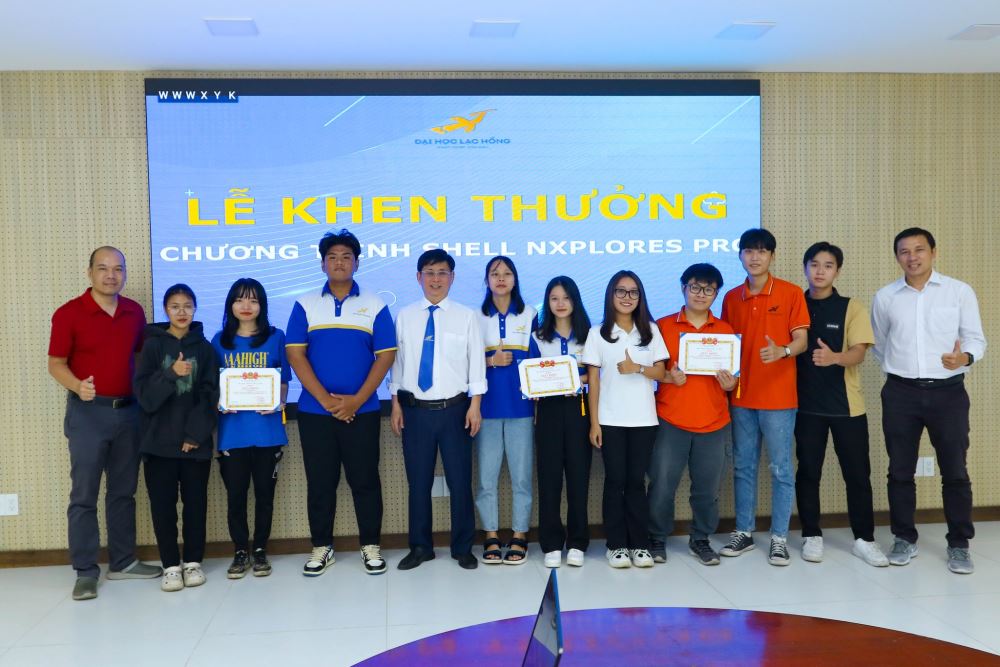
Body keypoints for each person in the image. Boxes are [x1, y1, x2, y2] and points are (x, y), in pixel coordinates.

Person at [47, 246, 162, 601]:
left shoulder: (134, 311)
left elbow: (141, 355)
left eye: (118, 269)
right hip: (88, 414)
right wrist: (76, 385)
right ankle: (85, 571)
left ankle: (123, 562)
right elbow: (56, 363)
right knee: (84, 494)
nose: (111, 275)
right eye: (103, 268)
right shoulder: (69, 313)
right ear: (90, 273)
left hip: (129, 412)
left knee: (123, 491)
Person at [872, 228, 986, 574]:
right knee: (899, 470)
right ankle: (904, 538)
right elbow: (880, 344)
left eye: (919, 249)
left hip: (948, 392)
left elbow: (976, 339)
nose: (912, 257)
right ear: (897, 257)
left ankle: (959, 544)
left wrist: (964, 358)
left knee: (955, 470)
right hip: (900, 392)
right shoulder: (886, 296)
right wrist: (903, 370)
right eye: (904, 251)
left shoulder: (958, 291)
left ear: (933, 252)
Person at [286, 230, 396, 576]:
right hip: (314, 412)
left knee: (365, 481)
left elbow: (385, 357)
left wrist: (356, 401)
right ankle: (322, 547)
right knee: (320, 482)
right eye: (332, 257)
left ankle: (370, 545)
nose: (339, 262)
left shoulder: (375, 305)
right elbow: (295, 355)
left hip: (363, 411)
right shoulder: (305, 304)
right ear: (322, 264)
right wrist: (327, 401)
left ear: (356, 263)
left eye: (346, 256)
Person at [390, 248, 487, 570]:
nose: (436, 279)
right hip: (415, 411)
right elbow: (397, 365)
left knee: (460, 482)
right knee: (418, 483)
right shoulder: (405, 316)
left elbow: (476, 365)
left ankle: (463, 548)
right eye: (429, 273)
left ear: (452, 277)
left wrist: (475, 405)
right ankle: (420, 547)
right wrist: (395, 404)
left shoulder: (466, 316)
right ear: (419, 277)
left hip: (455, 411)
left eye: (442, 273)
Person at [795, 243, 887, 567]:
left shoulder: (852, 307)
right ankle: (811, 535)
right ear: (805, 267)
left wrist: (835, 357)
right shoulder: (795, 304)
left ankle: (864, 539)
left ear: (837, 271)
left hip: (847, 407)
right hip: (804, 407)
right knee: (808, 472)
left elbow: (859, 352)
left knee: (858, 474)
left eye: (828, 265)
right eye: (814, 264)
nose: (820, 271)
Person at [720, 228, 809, 566]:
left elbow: (801, 341)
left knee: (781, 468)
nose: (754, 257)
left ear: (772, 256)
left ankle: (779, 538)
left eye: (762, 251)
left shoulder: (790, 292)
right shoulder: (731, 298)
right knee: (743, 466)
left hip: (779, 399)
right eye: (749, 251)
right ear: (740, 255)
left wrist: (783, 351)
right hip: (741, 397)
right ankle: (744, 531)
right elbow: (725, 346)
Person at [648, 263, 737, 567]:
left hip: (713, 421)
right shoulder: (662, 326)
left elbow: (735, 379)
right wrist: (667, 376)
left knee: (707, 490)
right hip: (670, 419)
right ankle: (657, 537)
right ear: (683, 287)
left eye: (709, 289)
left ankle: (701, 538)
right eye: (695, 287)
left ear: (716, 293)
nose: (701, 294)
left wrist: (731, 384)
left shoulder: (726, 331)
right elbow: (651, 372)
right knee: (661, 485)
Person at [134, 283, 219, 592]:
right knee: (163, 508)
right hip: (159, 444)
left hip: (195, 444)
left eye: (187, 306)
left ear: (195, 309)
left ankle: (193, 562)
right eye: (175, 306)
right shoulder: (153, 346)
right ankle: (170, 565)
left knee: (196, 505)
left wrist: (195, 435)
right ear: (165, 310)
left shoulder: (206, 349)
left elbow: (210, 395)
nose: (181, 312)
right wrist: (171, 373)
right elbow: (145, 397)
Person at [582, 270, 668, 569]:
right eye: (621, 291)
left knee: (636, 482)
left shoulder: (651, 331)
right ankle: (616, 545)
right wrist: (594, 423)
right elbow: (593, 382)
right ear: (611, 295)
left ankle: (639, 545)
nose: (627, 297)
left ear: (640, 297)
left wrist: (638, 368)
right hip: (610, 420)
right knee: (615, 480)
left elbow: (662, 373)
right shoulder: (598, 333)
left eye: (633, 292)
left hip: (644, 419)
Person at [212, 278, 290, 578]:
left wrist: (278, 403)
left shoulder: (276, 337)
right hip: (233, 432)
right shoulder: (219, 340)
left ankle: (259, 550)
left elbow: (284, 380)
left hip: (267, 431)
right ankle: (240, 551)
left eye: (253, 300)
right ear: (230, 304)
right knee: (236, 497)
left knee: (264, 496)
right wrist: (219, 402)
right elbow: (212, 385)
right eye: (240, 299)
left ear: (262, 305)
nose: (246, 306)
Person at [475, 256, 537, 565]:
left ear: (515, 279)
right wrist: (490, 361)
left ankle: (520, 534)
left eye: (507, 273)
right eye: (494, 273)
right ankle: (490, 535)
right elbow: (464, 363)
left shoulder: (531, 314)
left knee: (521, 477)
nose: (501, 278)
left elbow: (539, 362)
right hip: (485, 408)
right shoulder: (475, 318)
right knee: (486, 478)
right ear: (487, 280)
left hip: (521, 408)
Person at [529, 276, 593, 568]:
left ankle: (578, 542)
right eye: (554, 298)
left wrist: (576, 379)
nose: (560, 303)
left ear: (575, 300)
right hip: (549, 412)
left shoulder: (589, 336)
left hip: (580, 410)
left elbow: (597, 374)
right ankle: (552, 543)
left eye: (566, 298)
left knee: (579, 477)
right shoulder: (538, 337)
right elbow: (529, 374)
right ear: (548, 303)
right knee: (549, 478)